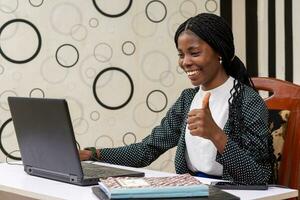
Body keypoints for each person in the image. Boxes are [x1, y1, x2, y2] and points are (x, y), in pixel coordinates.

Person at [80, 13, 275, 184]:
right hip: (194, 190)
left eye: (194, 53)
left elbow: (258, 176)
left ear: (220, 52)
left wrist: (216, 134)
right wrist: (93, 154)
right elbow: (147, 150)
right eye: (181, 55)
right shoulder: (188, 99)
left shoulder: (248, 101)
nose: (185, 62)